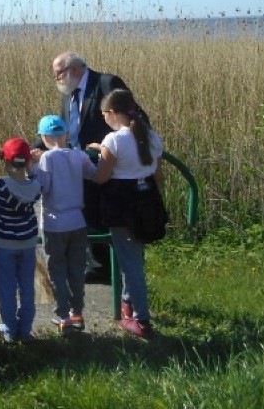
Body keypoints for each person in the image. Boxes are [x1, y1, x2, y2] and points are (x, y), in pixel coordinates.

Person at [48, 51, 147, 278]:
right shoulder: (69, 93)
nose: (56, 80)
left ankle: (108, 273)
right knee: (87, 215)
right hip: (79, 166)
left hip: (107, 166)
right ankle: (95, 266)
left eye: (58, 74)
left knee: (104, 220)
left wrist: (110, 147)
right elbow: (64, 127)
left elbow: (135, 118)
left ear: (73, 69)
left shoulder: (105, 83)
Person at [90, 88, 164, 339]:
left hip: (122, 207)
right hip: (147, 203)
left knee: (130, 263)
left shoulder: (114, 140)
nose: (104, 120)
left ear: (112, 113)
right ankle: (127, 303)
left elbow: (102, 177)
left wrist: (86, 162)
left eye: (104, 115)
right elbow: (157, 175)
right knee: (135, 257)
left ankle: (141, 320)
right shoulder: (152, 137)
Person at [31, 115, 98, 335]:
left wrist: (34, 167)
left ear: (44, 137)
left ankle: (63, 314)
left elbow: (44, 187)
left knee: (57, 269)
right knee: (77, 269)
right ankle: (78, 312)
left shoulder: (47, 158)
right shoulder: (79, 155)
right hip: (78, 220)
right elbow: (95, 175)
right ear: (66, 135)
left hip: (54, 222)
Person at [0, 138, 42, 343]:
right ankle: (25, 330)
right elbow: (37, 179)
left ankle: (9, 330)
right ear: (26, 162)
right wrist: (32, 166)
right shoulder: (35, 186)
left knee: (7, 288)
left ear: (6, 163)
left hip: (4, 244)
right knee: (27, 287)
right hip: (27, 243)